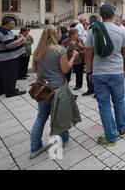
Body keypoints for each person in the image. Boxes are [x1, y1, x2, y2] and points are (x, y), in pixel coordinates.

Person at [30, 25, 78, 159]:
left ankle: (35, 147)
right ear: (54, 35)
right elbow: (65, 69)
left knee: (41, 117)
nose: (60, 35)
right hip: (58, 88)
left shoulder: (38, 51)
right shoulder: (60, 50)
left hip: (43, 88)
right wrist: (73, 57)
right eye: (58, 33)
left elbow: (34, 70)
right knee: (60, 114)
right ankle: (64, 139)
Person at [85, 5, 125, 146]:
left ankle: (111, 136)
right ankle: (122, 129)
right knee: (119, 101)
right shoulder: (121, 30)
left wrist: (89, 71)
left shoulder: (93, 30)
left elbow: (88, 55)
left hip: (99, 73)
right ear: (113, 14)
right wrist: (123, 69)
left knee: (104, 105)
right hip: (117, 72)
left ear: (100, 15)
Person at [0, 17, 26, 98]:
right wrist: (21, 39)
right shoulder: (5, 33)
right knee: (11, 75)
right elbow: (9, 44)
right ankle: (10, 92)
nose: (14, 25)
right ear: (9, 24)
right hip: (8, 58)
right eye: (13, 23)